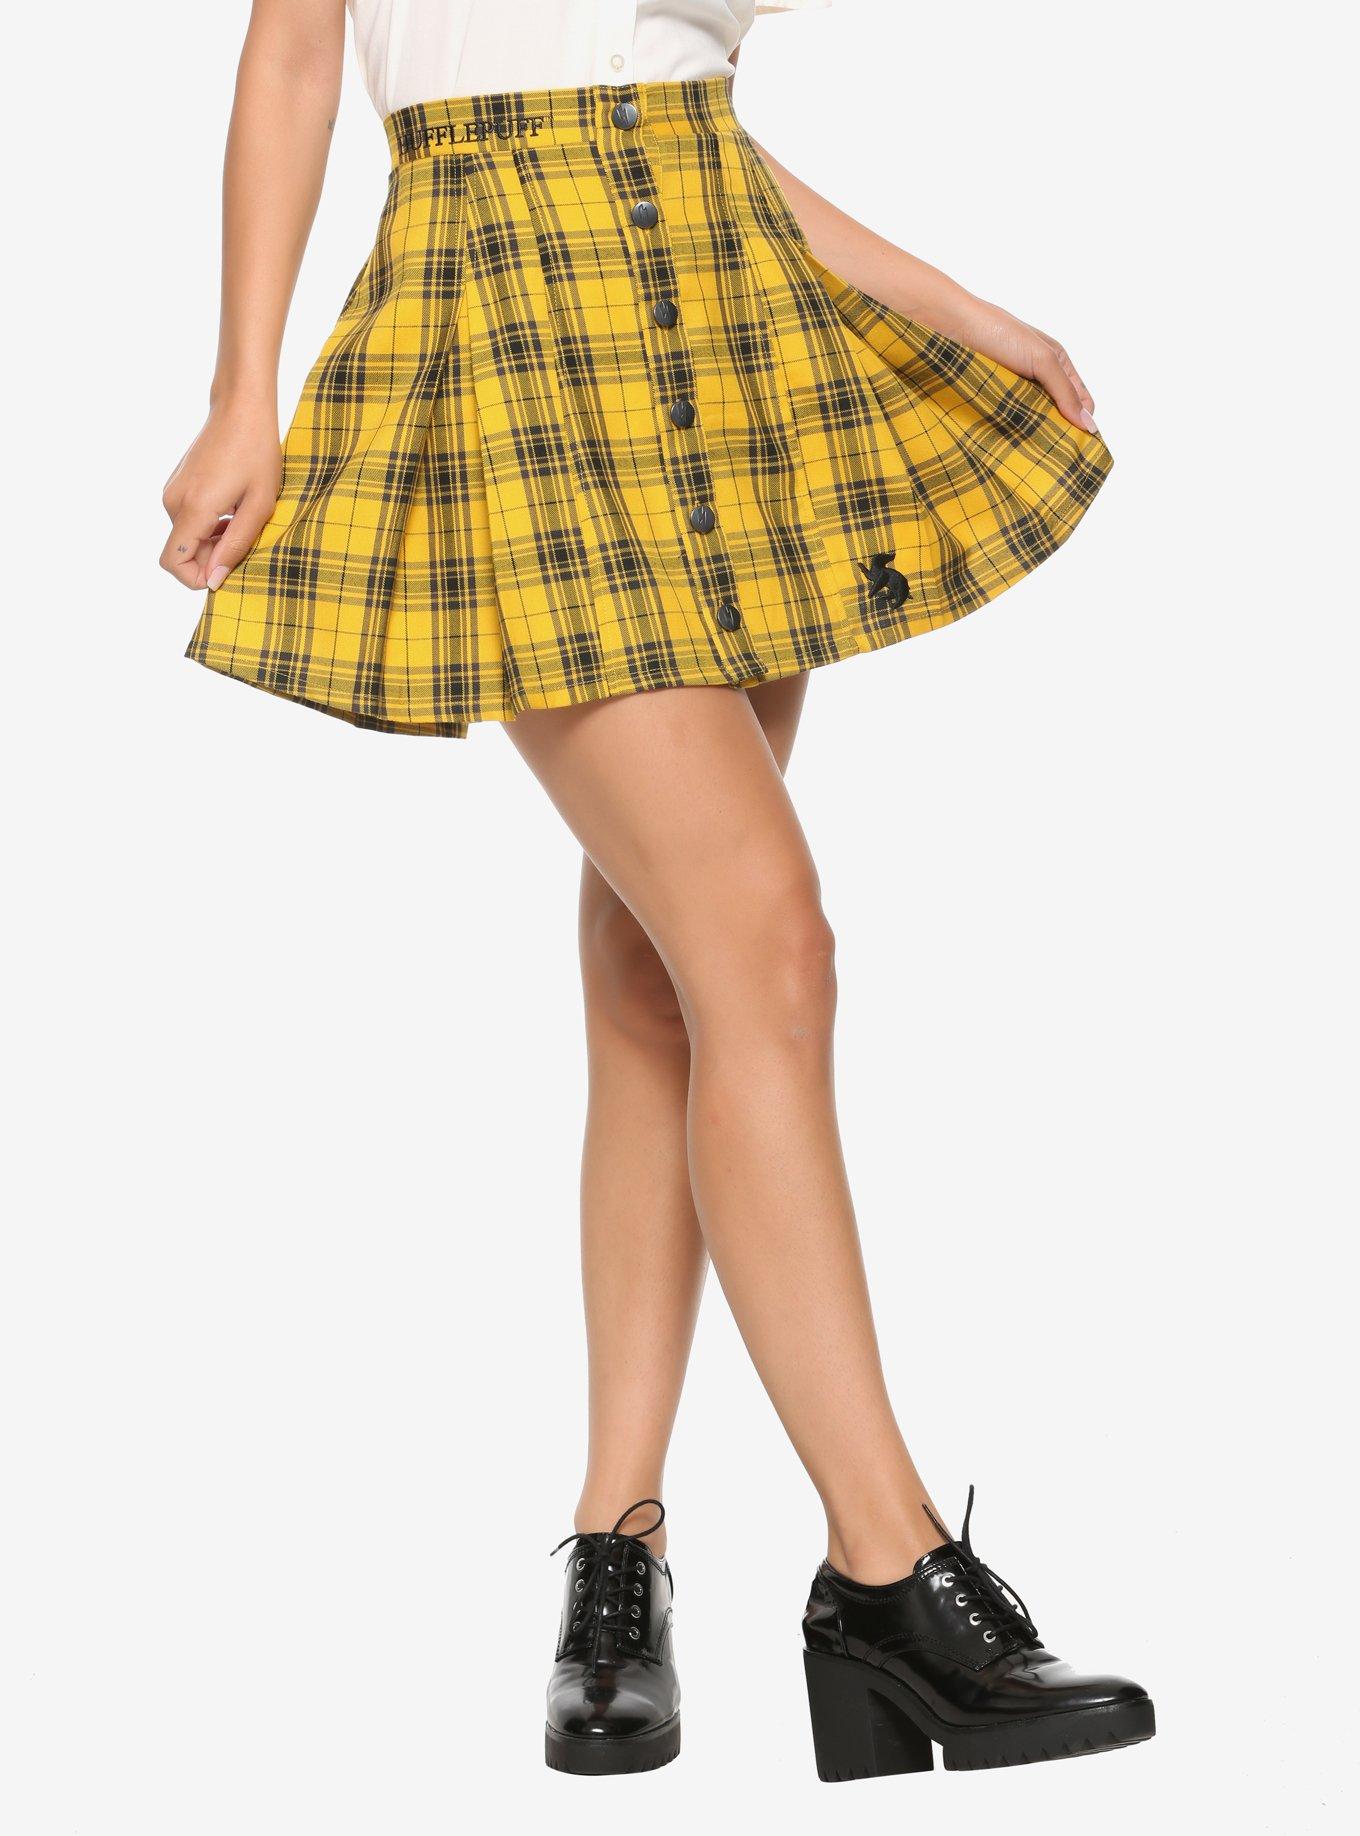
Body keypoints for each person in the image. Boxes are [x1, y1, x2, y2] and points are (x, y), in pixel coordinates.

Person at [161, 0, 1153, 1780]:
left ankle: (615, 1552)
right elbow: (298, 50)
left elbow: (683, 110)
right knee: (767, 944)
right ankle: (886, 1566)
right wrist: (245, 388)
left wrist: (954, 305)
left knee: (662, 970)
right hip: (513, 331)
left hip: (730, 325)